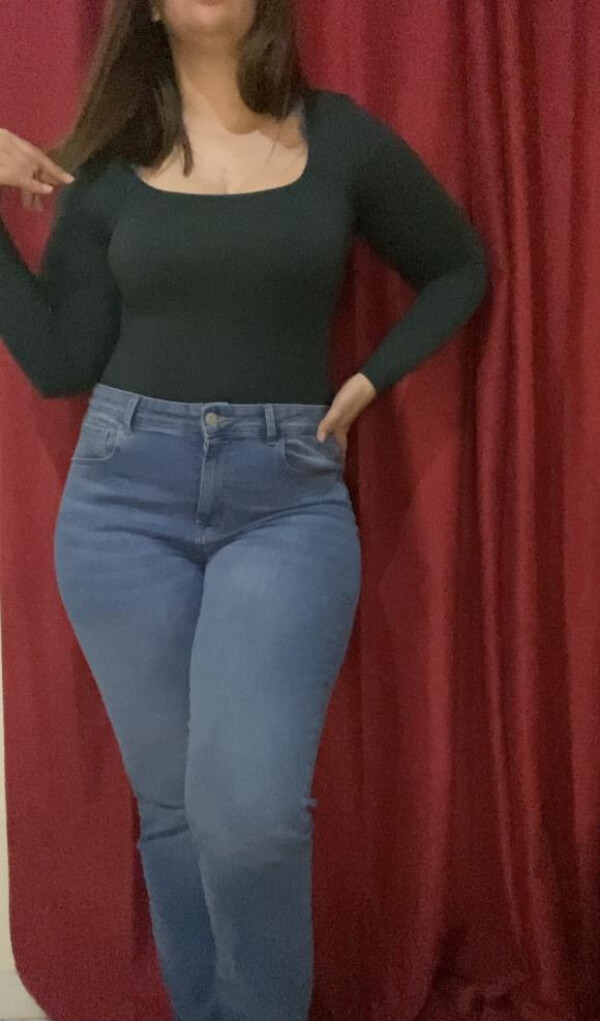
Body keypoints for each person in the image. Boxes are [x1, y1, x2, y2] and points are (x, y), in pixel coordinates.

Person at [0, 1, 488, 1019]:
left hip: (286, 501)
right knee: (174, 812)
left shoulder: (339, 135)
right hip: (122, 504)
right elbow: (59, 361)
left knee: (252, 819)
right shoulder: (110, 166)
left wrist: (370, 380)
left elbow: (458, 266)